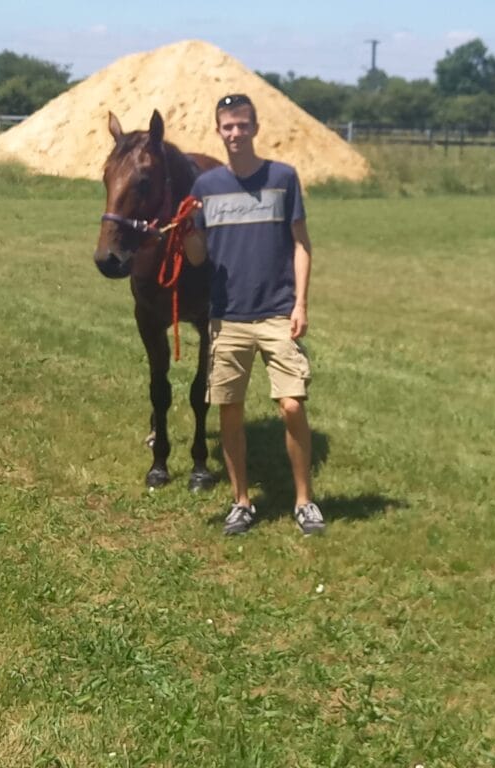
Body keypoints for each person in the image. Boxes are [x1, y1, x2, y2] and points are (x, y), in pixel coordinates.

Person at [183, 93, 325, 536]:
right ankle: (241, 501)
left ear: (256, 128)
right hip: (227, 317)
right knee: (229, 410)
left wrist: (300, 303)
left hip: (277, 313)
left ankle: (304, 501)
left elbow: (302, 244)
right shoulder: (205, 189)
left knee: (291, 405)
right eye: (228, 126)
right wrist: (186, 228)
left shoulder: (283, 179)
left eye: (243, 125)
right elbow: (195, 258)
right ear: (219, 131)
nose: (236, 133)